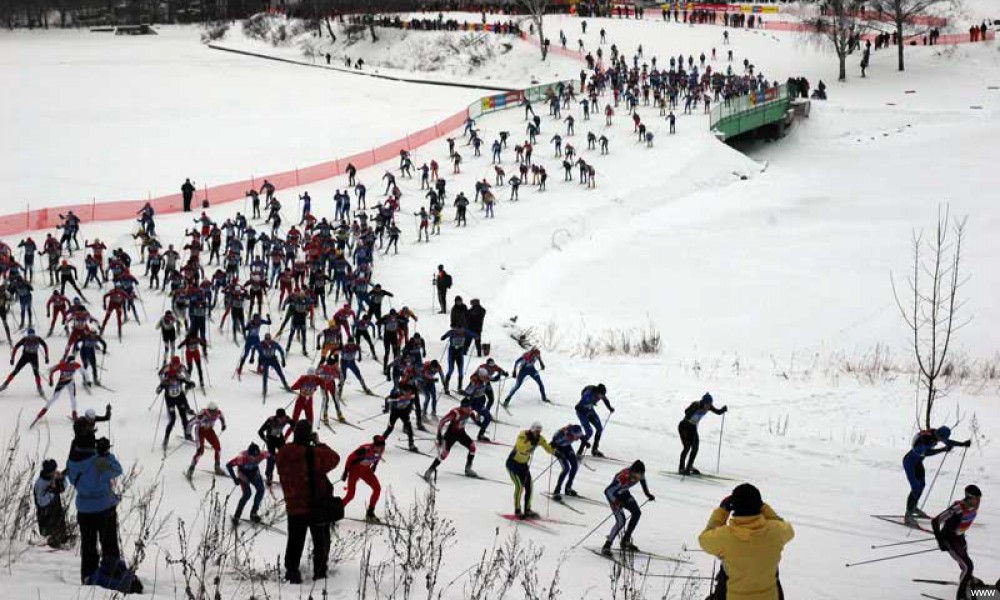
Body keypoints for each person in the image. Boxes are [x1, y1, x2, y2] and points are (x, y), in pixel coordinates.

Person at [66, 437, 138, 591]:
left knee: (88, 545)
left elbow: (71, 480)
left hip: (84, 510)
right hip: (104, 509)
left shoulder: (73, 462)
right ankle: (111, 574)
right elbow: (117, 470)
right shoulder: (99, 461)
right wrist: (105, 454)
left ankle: (88, 576)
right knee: (109, 544)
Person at [698, 484, 793, 600]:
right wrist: (764, 507)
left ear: (734, 506)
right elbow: (784, 525)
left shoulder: (724, 537)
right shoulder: (776, 531)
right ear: (759, 506)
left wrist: (722, 511)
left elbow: (704, 539)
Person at [277, 420, 341, 584]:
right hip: (315, 505)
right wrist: (318, 444)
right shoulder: (313, 453)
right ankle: (320, 574)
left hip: (293, 506)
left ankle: (292, 574)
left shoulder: (283, 453)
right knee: (321, 542)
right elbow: (334, 458)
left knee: (294, 543)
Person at [903, 426, 970, 525]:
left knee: (922, 485)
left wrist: (963, 444)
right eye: (942, 439)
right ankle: (908, 515)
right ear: (939, 435)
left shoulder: (935, 434)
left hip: (917, 463)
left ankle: (913, 508)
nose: (942, 441)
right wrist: (943, 450)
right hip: (909, 463)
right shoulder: (925, 439)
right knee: (916, 488)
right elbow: (926, 452)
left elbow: (948, 442)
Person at [932, 484, 983, 600]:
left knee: (964, 560)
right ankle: (961, 596)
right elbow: (935, 521)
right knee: (968, 566)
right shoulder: (957, 508)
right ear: (969, 497)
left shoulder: (972, 506)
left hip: (960, 537)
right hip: (950, 539)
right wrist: (941, 541)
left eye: (979, 499)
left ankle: (967, 578)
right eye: (977, 499)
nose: (979, 502)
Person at [601, 460, 655, 555]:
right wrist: (617, 502)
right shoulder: (622, 477)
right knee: (621, 521)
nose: (640, 477)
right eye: (639, 474)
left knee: (637, 513)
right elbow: (608, 491)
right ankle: (607, 545)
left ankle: (625, 540)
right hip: (614, 496)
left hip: (624, 493)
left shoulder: (640, 474)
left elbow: (643, 481)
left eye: (642, 474)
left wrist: (648, 494)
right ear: (633, 471)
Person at [505, 421, 553, 519]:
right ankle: (517, 510)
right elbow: (520, 447)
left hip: (523, 465)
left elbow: (548, 448)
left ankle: (527, 510)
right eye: (536, 431)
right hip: (513, 464)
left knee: (529, 487)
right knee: (519, 487)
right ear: (531, 430)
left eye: (539, 431)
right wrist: (530, 443)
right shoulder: (523, 434)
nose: (537, 433)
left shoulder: (539, 439)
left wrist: (555, 450)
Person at [423, 403, 480, 481]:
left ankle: (468, 469)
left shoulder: (470, 412)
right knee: (444, 454)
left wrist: (478, 420)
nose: (469, 409)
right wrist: (439, 436)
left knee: (472, 447)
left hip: (461, 433)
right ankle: (429, 471)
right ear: (462, 407)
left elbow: (476, 420)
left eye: (470, 407)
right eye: (467, 408)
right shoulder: (455, 413)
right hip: (450, 435)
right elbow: (442, 422)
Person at [678, 393, 728, 475]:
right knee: (687, 447)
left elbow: (718, 412)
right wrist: (693, 411)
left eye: (710, 404)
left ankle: (689, 466)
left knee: (695, 447)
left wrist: (723, 410)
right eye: (707, 404)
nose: (708, 407)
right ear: (704, 402)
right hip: (684, 427)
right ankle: (681, 468)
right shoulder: (696, 404)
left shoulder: (709, 407)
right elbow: (686, 411)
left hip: (693, 428)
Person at [341, 435, 386, 522]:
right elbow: (350, 457)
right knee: (350, 495)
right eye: (378, 447)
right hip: (355, 471)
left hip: (366, 471)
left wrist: (375, 465)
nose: (379, 449)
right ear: (374, 444)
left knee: (377, 488)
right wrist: (346, 471)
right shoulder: (364, 449)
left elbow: (378, 456)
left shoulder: (381, 449)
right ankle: (335, 512)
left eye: (382, 447)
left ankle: (370, 512)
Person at [226, 443, 269, 525]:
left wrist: (269, 471)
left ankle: (253, 513)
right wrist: (235, 478)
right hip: (243, 475)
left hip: (255, 474)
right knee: (247, 494)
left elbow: (272, 457)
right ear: (248, 454)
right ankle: (237, 516)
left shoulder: (262, 454)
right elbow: (229, 465)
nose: (254, 459)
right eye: (252, 457)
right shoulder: (241, 458)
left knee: (261, 490)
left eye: (256, 456)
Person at [34, 459, 69, 548]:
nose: (55, 472)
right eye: (53, 471)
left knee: (61, 537)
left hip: (57, 513)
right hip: (46, 516)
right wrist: (51, 491)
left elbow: (63, 487)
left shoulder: (53, 479)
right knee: (49, 540)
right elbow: (41, 502)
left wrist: (61, 479)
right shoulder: (40, 483)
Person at [574, 383, 614, 457]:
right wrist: (584, 410)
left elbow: (605, 400)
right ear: (597, 392)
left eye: (603, 395)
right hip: (582, 413)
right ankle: (579, 452)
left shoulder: (600, 393)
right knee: (589, 432)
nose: (602, 397)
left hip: (589, 410)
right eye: (601, 395)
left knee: (599, 428)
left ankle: (594, 450)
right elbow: (577, 407)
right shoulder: (587, 395)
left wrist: (610, 408)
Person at [550, 424, 584, 500]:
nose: (577, 439)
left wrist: (584, 440)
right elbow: (550, 445)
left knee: (575, 466)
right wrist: (556, 452)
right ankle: (556, 491)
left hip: (567, 447)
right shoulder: (560, 436)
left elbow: (580, 436)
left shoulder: (573, 431)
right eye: (576, 437)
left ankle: (568, 488)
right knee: (566, 469)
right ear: (572, 434)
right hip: (559, 449)